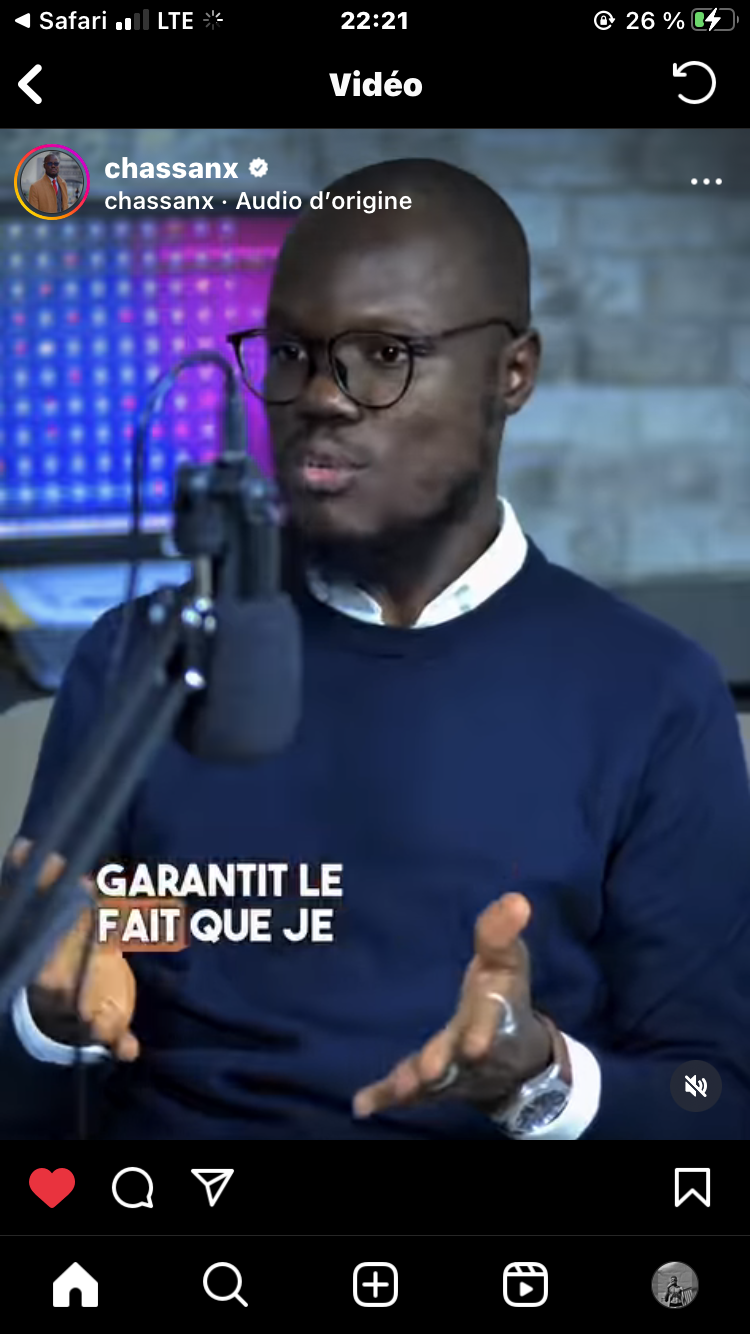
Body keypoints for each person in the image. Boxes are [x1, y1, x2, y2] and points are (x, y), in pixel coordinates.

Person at [2, 157, 750, 1141]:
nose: (323, 395)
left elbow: (713, 1096)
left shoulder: (651, 694)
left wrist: (544, 1082)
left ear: (513, 374)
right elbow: (55, 1031)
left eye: (385, 353)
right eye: (291, 352)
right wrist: (48, 1020)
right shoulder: (143, 658)